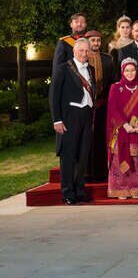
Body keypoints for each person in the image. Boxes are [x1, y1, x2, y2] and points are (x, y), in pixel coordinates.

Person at [50, 38, 97, 204]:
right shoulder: (62, 69)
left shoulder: (90, 69)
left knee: (83, 156)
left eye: (87, 51)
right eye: (81, 51)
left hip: (86, 116)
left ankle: (79, 190)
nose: (84, 54)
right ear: (74, 51)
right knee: (69, 157)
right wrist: (57, 120)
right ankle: (68, 193)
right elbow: (54, 96)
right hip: (69, 117)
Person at [105, 58, 138, 199]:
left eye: (132, 70)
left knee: (135, 161)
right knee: (120, 161)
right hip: (121, 131)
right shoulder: (115, 87)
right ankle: (120, 190)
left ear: (136, 71)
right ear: (122, 72)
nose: (130, 73)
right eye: (127, 70)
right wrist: (124, 125)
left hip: (136, 130)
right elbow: (113, 109)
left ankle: (134, 189)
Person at [85, 30, 112, 180]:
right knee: (87, 139)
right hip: (86, 105)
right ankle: (87, 173)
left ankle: (101, 173)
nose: (95, 43)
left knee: (101, 139)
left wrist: (104, 99)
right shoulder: (82, 59)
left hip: (103, 104)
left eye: (98, 40)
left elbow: (112, 82)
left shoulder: (108, 59)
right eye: (92, 40)